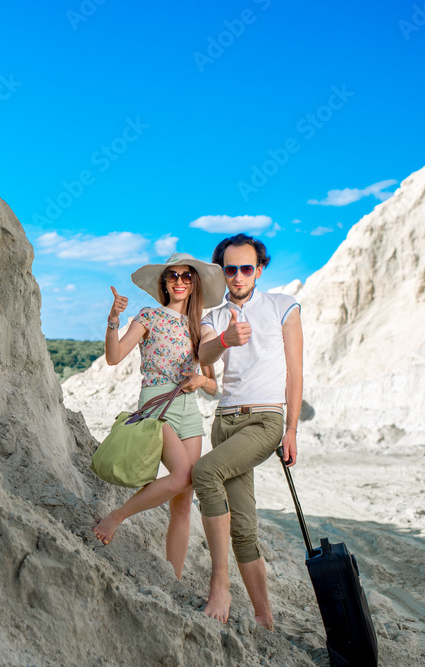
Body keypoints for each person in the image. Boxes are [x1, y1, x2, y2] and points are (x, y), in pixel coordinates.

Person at [192, 234, 303, 631]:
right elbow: (204, 355)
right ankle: (264, 617)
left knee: (204, 473)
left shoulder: (282, 306)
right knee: (244, 525)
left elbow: (295, 371)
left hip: (264, 420)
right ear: (222, 271)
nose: (238, 276)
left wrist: (290, 429)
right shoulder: (213, 316)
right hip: (225, 422)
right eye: (230, 269)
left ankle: (220, 584)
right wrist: (225, 339)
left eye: (246, 268)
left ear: (260, 269)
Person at [92, 252, 225, 580]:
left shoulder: (200, 326)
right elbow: (113, 356)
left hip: (189, 412)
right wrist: (113, 319)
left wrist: (201, 378)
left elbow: (212, 385)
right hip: (156, 405)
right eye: (173, 276)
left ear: (194, 283)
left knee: (183, 502)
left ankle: (173, 578)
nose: (180, 281)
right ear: (164, 283)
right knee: (182, 476)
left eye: (186, 276)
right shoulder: (149, 315)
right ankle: (117, 517)